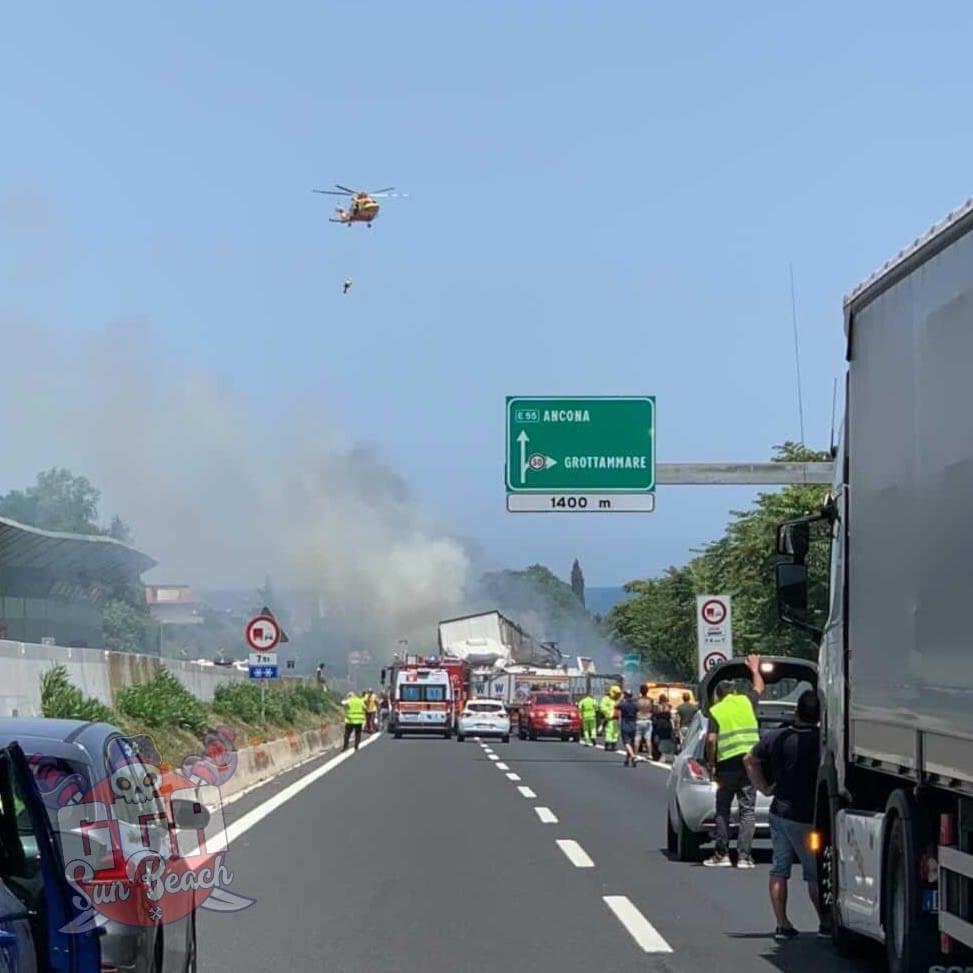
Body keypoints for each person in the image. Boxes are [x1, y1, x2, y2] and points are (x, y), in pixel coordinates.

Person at [744, 690, 826, 940]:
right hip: (808, 818)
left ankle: (782, 923)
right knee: (814, 874)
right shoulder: (824, 741)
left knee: (779, 869)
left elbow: (750, 759)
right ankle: (825, 922)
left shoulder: (776, 737)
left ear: (796, 711)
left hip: (779, 812)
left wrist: (763, 788)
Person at [703, 654, 765, 868]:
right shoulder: (746, 701)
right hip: (749, 763)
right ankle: (745, 857)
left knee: (723, 809)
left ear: (718, 696)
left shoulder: (716, 710)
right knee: (747, 811)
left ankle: (722, 855)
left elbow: (711, 740)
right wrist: (755, 669)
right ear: (735, 692)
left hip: (727, 765)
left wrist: (711, 763)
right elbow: (759, 688)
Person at [617, 690, 640, 767]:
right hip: (633, 725)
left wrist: (620, 698)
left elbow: (615, 705)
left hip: (625, 725)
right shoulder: (635, 705)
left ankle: (633, 757)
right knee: (631, 744)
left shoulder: (623, 705)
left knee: (626, 743)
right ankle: (627, 760)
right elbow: (638, 710)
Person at [651, 694, 675, 763]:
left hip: (661, 725)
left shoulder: (661, 706)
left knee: (659, 740)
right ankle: (661, 755)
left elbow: (656, 714)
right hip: (664, 725)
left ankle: (662, 755)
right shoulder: (666, 707)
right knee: (661, 740)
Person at [635, 685, 654, 757]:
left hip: (639, 720)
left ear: (640, 691)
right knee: (648, 739)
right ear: (647, 691)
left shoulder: (637, 700)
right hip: (647, 720)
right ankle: (649, 754)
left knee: (637, 738)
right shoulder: (650, 700)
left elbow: (635, 709)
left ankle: (635, 754)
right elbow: (652, 710)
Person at [601, 686, 621, 751]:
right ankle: (607, 745)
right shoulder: (606, 699)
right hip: (610, 719)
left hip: (616, 719)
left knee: (615, 733)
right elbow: (603, 708)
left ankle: (613, 746)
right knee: (609, 732)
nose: (617, 695)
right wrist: (609, 714)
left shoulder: (617, 700)